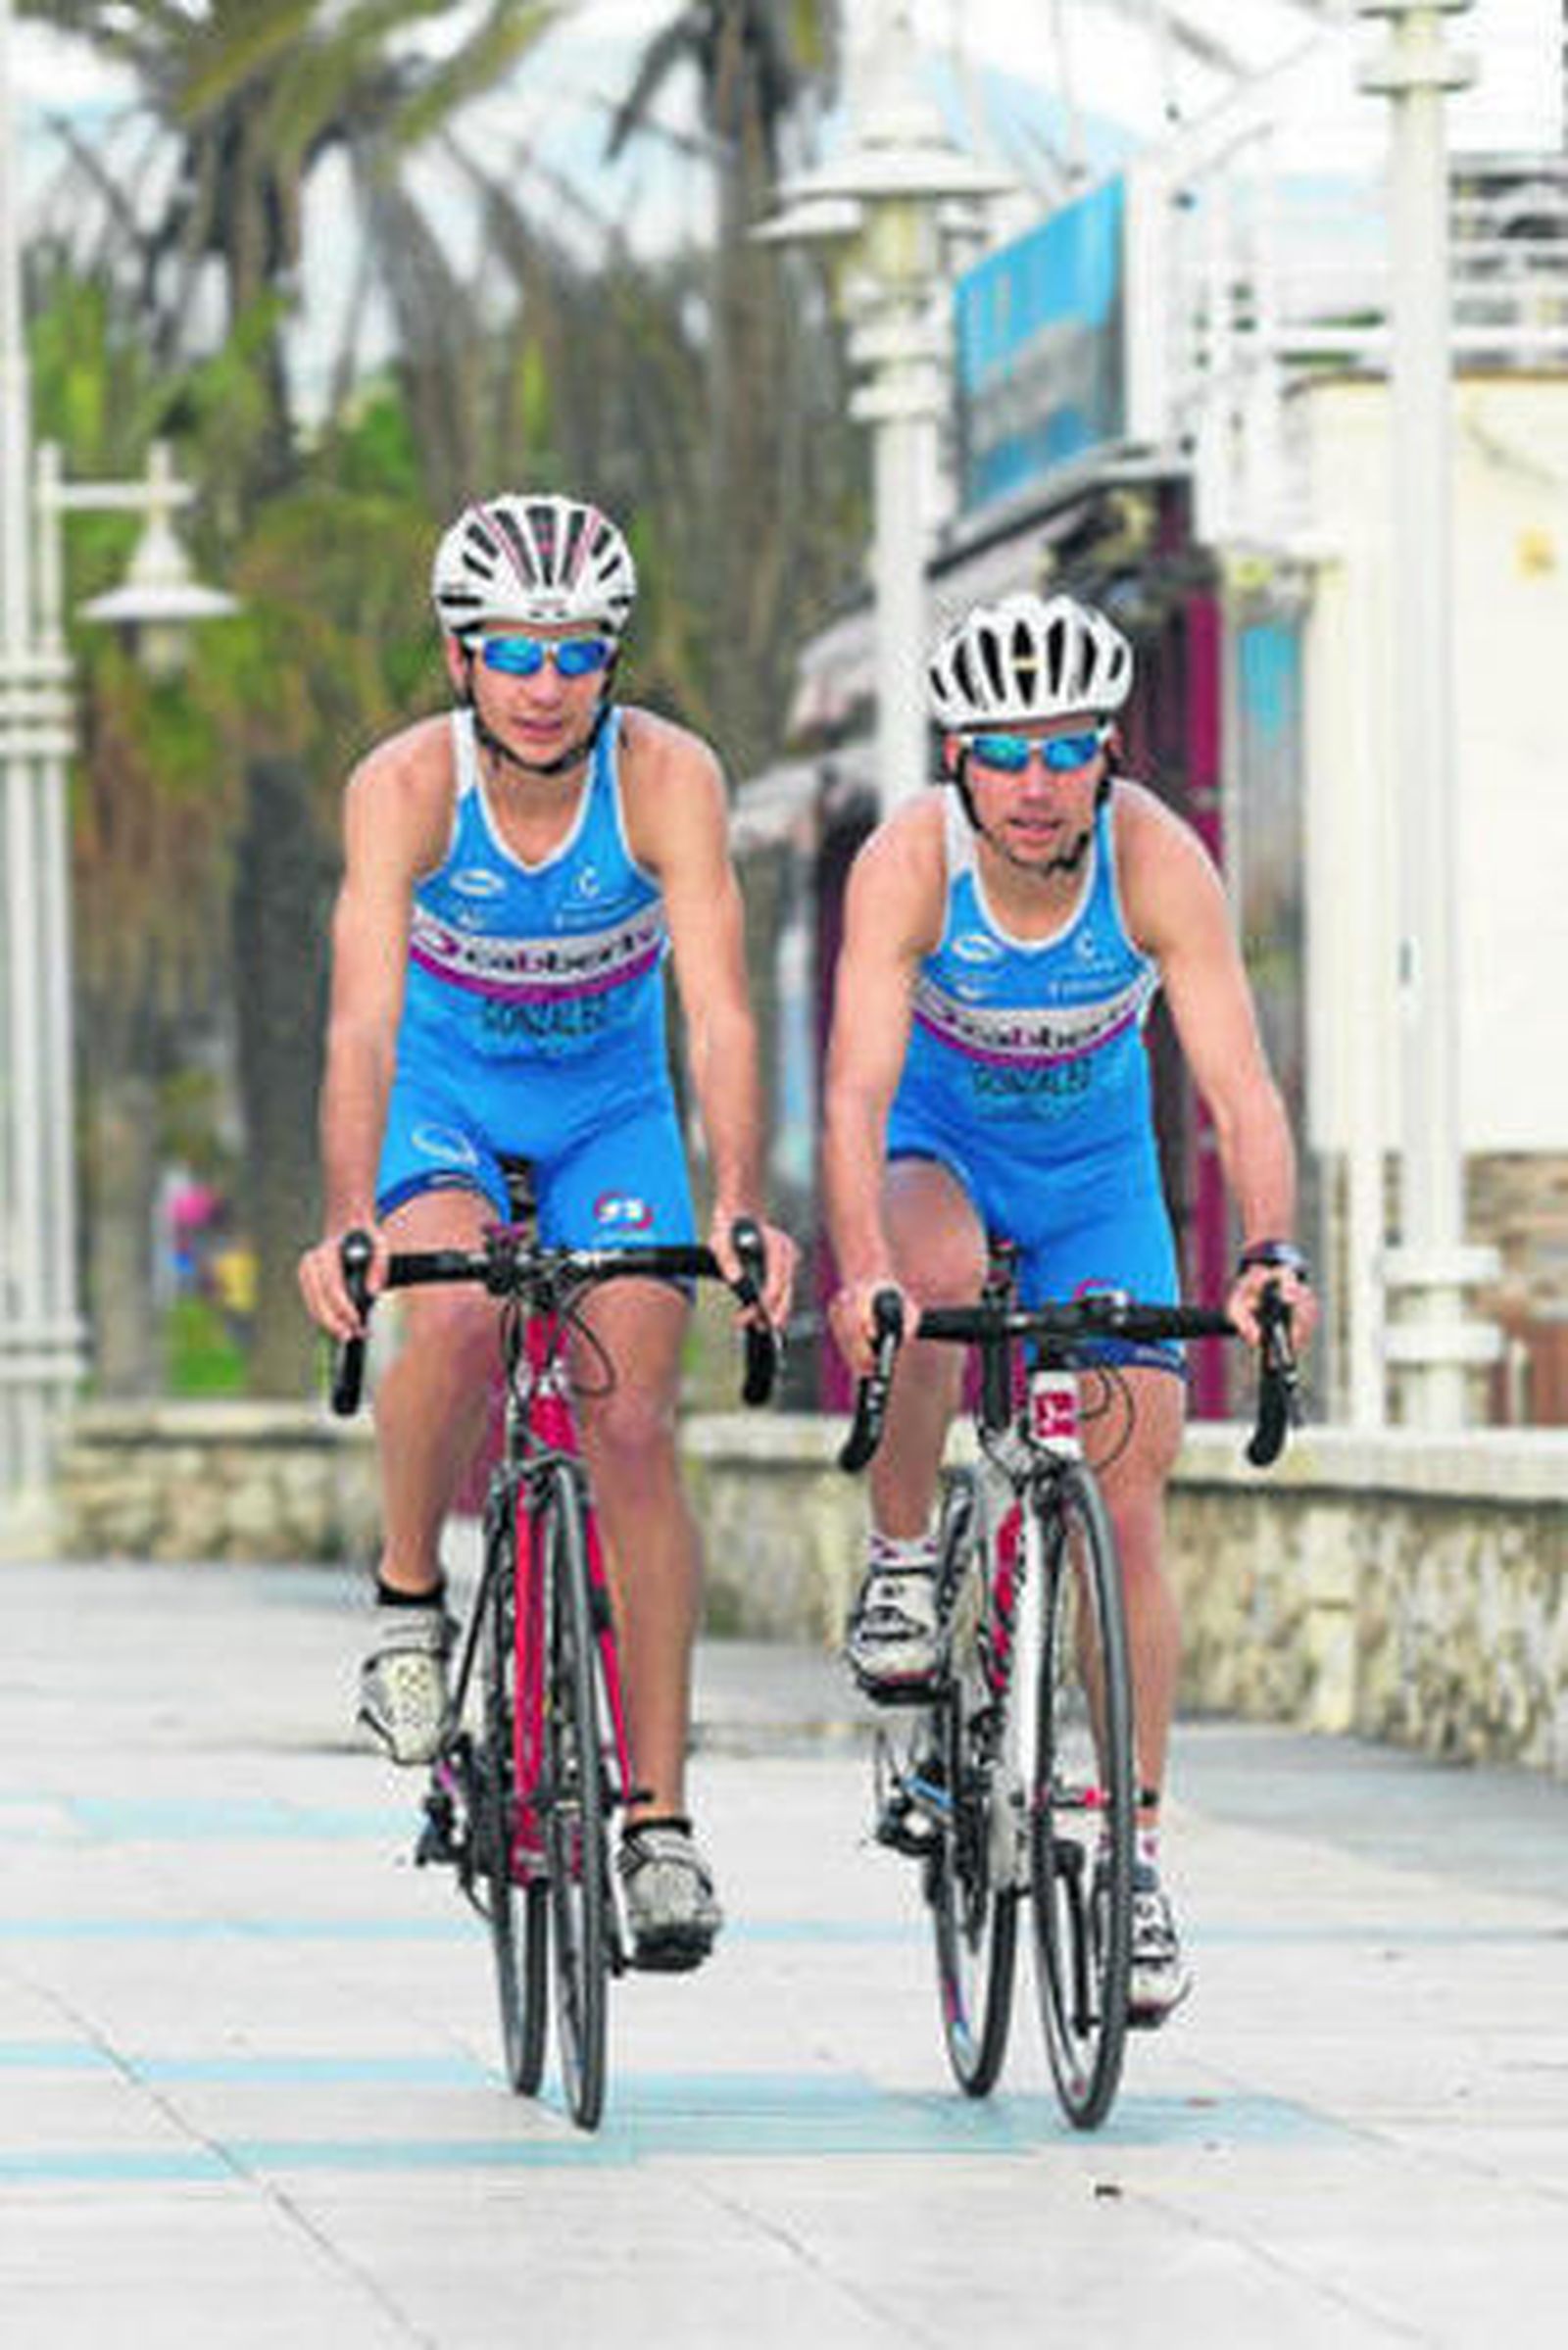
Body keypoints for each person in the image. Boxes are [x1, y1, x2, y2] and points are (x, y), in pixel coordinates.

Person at [298, 490, 796, 1971]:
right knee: (452, 1315)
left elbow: (716, 1009)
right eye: (514, 650)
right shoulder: (402, 787)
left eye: (576, 651)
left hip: (610, 1115)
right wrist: (344, 1223)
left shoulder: (666, 780)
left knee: (632, 1426)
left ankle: (657, 1827)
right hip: (446, 1104)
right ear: (461, 660)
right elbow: (361, 1026)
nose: (545, 682)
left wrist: (744, 1198)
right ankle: (407, 1597)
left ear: (611, 662)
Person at [822, 589, 1317, 2022]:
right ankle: (907, 1554)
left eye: (1065, 750)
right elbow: (854, 1087)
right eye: (1003, 752)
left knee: (1131, 1489)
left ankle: (1137, 1854)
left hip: (1097, 1176)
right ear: (958, 758)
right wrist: (856, 1266)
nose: (1035, 785)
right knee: (929, 1288)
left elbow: (1239, 1086)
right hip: (940, 1153)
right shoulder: (909, 866)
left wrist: (1271, 1250)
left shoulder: (1160, 861)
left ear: (1104, 755)